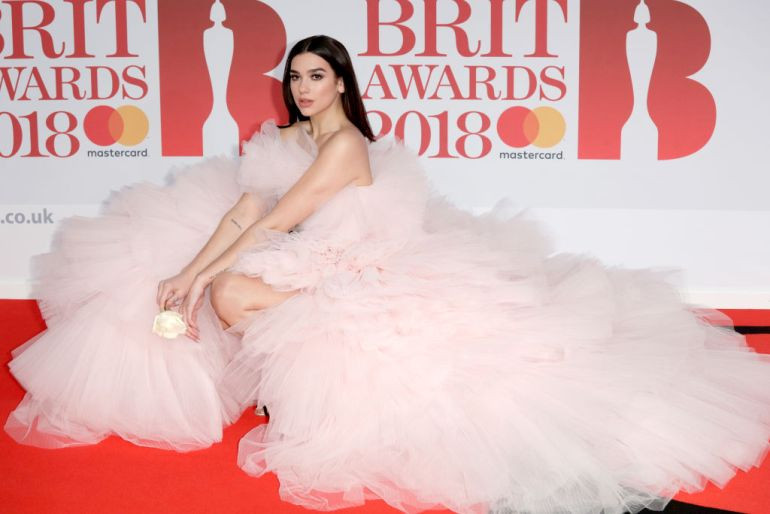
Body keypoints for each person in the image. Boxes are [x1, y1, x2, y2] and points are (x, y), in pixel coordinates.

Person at [5, 34, 770, 514]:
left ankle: (294, 391)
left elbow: (277, 220)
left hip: (349, 263)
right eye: (296, 77)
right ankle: (282, 382)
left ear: (341, 82)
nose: (304, 88)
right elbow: (243, 212)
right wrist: (185, 273)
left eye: (317, 76)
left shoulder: (345, 147)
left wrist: (207, 280)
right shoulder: (284, 140)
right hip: (301, 256)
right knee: (210, 279)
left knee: (235, 290)